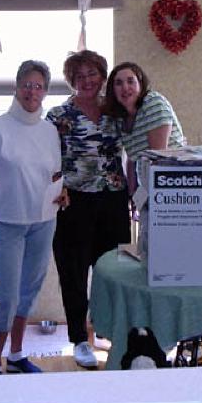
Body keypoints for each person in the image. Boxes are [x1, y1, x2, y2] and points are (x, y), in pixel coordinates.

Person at [0, 60, 67, 374]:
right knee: (6, 295)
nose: (32, 91)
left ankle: (15, 355)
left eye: (39, 86)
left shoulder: (50, 130)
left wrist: (63, 191)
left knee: (29, 291)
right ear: (16, 86)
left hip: (43, 220)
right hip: (6, 222)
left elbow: (54, 172)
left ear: (45, 91)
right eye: (27, 84)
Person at [45, 50, 131, 369]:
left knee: (112, 271)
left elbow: (136, 148)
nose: (86, 81)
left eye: (92, 73)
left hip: (113, 197)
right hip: (73, 201)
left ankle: (109, 330)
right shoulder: (58, 116)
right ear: (71, 80)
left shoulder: (117, 110)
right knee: (74, 272)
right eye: (79, 76)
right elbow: (44, 159)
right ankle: (80, 339)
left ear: (102, 75)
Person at [104, 61, 186, 251]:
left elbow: (158, 158)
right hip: (148, 185)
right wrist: (133, 195)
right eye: (118, 83)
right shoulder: (121, 117)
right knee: (147, 246)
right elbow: (132, 159)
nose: (125, 87)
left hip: (171, 186)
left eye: (130, 81)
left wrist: (146, 199)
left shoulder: (153, 103)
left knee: (167, 247)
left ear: (140, 84)